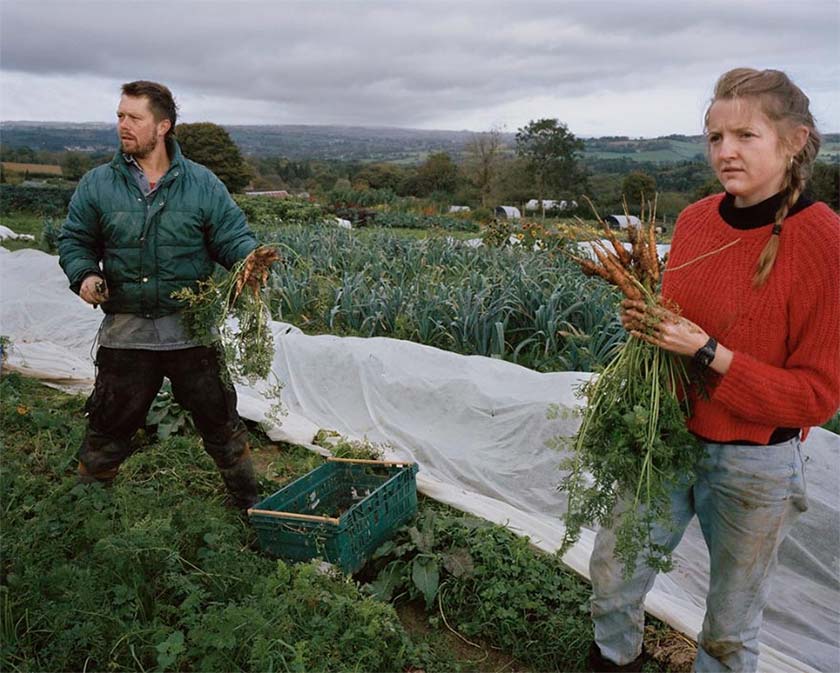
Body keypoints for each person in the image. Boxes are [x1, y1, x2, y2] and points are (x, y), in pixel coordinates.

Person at [587, 68, 840, 672]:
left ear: (795, 139)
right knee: (613, 573)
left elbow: (815, 399)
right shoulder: (699, 219)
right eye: (713, 137)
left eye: (746, 135)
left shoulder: (825, 242)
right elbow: (681, 321)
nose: (725, 152)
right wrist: (649, 321)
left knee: (730, 624)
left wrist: (709, 352)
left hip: (755, 461)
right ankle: (614, 660)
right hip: (666, 438)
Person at [58, 80, 277, 511]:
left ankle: (248, 504)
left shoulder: (202, 184)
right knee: (108, 424)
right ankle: (85, 513)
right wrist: (84, 274)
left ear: (162, 127)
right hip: (127, 331)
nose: (122, 125)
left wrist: (247, 260)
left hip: (190, 331)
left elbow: (231, 237)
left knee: (221, 423)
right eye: (120, 115)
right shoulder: (99, 184)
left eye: (133, 118)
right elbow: (75, 240)